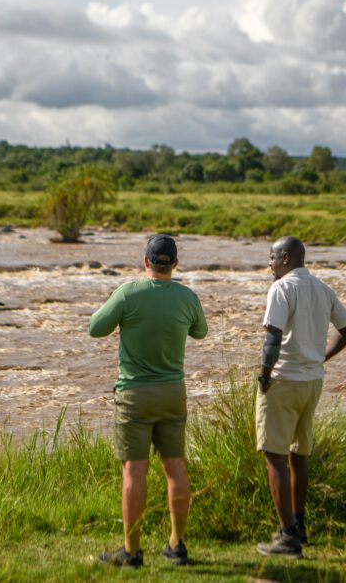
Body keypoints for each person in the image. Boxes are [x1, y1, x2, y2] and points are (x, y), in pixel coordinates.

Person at [89, 234, 208, 569]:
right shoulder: (187, 296)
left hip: (134, 395)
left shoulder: (129, 292)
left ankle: (131, 550)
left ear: (145, 262)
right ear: (175, 264)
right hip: (173, 392)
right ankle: (177, 544)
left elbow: (95, 328)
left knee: (134, 472)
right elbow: (201, 332)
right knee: (176, 468)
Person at [255, 236, 346, 558]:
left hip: (283, 380)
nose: (269, 264)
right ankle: (299, 525)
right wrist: (321, 357)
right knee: (300, 455)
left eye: (271, 258)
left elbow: (272, 338)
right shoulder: (322, 288)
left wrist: (265, 375)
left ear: (285, 257)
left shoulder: (281, 289)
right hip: (312, 381)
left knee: (274, 455)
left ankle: (286, 538)